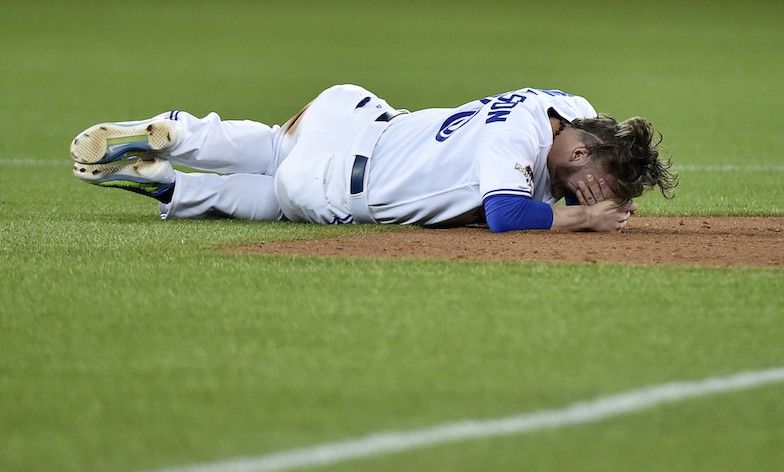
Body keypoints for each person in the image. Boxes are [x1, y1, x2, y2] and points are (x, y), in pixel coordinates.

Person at [70, 84, 676, 233]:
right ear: (575, 148)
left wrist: (609, 176)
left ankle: (177, 135)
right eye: (600, 176)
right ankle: (175, 189)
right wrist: (582, 217)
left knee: (278, 144)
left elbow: (593, 143)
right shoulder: (512, 145)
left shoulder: (564, 107)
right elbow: (505, 216)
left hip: (348, 112)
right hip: (339, 181)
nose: (598, 190)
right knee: (283, 196)